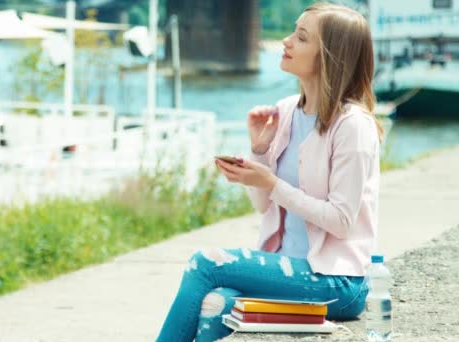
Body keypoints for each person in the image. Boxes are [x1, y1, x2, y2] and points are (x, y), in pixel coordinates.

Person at [156, 2, 384, 341]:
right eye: (293, 32)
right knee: (217, 303)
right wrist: (259, 152)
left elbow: (342, 220)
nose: (286, 41)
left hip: (337, 281)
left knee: (204, 263)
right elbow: (264, 205)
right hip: (285, 268)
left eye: (302, 38)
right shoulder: (286, 112)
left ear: (330, 56)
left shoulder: (352, 126)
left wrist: (272, 182)